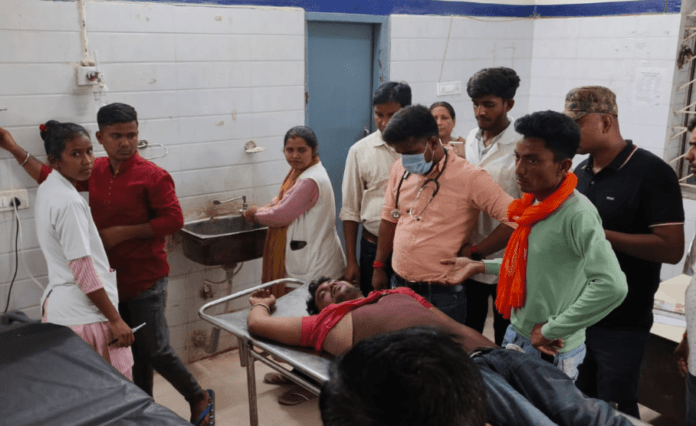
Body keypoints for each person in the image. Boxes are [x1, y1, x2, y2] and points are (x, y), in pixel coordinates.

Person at [0, 104, 213, 426]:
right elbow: (49, 175)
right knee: (131, 352)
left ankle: (197, 397)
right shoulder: (95, 170)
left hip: (144, 280)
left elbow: (174, 220)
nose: (126, 143)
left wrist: (121, 233)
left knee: (154, 350)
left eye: (132, 135)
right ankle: (142, 407)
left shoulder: (153, 176)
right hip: (106, 288)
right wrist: (13, 148)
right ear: (101, 137)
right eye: (117, 136)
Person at [247, 278, 635, 426]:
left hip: (498, 355)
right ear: (321, 308)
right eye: (323, 293)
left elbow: (453, 326)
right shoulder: (329, 322)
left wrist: (498, 351)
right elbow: (259, 325)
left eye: (332, 281)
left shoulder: (396, 293)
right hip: (461, 371)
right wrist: (262, 304)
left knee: (584, 411)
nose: (331, 287)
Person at [443, 110, 628, 381]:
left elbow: (612, 285)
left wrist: (553, 329)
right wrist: (478, 266)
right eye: (517, 158)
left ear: (563, 166)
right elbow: (530, 263)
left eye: (532, 160)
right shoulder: (533, 205)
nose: (519, 169)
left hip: (551, 346)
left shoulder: (577, 214)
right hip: (518, 333)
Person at [565, 86, 685, 417]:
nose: (569, 133)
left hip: (623, 318)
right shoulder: (580, 172)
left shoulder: (652, 172)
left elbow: (672, 249)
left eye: (577, 124)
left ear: (606, 122)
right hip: (579, 312)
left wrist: (601, 236)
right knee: (580, 400)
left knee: (616, 406)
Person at [371, 105, 516, 324]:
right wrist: (379, 265)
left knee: (441, 347)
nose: (405, 160)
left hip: (442, 295)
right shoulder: (399, 169)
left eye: (410, 153)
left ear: (432, 142)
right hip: (399, 285)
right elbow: (389, 219)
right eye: (400, 153)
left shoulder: (470, 177)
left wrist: (477, 252)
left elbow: (515, 219)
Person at [22, 121, 135, 380]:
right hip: (86, 316)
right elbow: (83, 271)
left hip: (60, 310)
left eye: (89, 151)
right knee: (115, 389)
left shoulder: (49, 187)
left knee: (79, 391)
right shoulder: (69, 203)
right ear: (54, 161)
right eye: (75, 154)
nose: (87, 161)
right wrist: (115, 320)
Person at [243, 125, 346, 295]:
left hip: (314, 265)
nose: (295, 155)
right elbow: (285, 199)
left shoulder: (310, 180)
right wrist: (265, 207)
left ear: (314, 150)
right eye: (289, 150)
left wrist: (255, 213)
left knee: (305, 308)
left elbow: (280, 215)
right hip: (315, 259)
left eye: (301, 150)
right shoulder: (302, 172)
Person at [461, 67, 523, 346]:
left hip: (506, 258)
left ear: (508, 104)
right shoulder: (471, 138)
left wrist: (479, 251)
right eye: (476, 104)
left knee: (506, 336)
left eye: (489, 104)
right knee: (469, 332)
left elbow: (521, 214)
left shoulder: (522, 145)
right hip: (469, 255)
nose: (480, 111)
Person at [340, 82, 410, 295]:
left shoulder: (422, 148)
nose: (385, 122)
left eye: (392, 115)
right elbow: (350, 209)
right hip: (373, 248)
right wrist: (352, 261)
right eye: (379, 115)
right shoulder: (360, 151)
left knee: (410, 307)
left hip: (413, 249)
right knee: (374, 307)